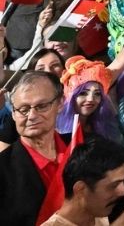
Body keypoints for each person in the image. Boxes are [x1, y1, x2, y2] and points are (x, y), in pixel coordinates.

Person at [0, 71, 68, 225]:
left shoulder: (83, 147)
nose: (31, 116)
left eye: (42, 106)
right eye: (23, 109)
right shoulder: (3, 170)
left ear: (60, 103)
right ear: (13, 114)